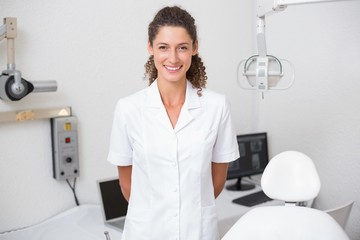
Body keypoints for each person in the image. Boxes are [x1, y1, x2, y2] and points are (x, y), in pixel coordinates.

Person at [107, 6, 239, 240]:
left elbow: (217, 181)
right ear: (150, 48)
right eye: (163, 47)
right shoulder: (128, 109)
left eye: (182, 48)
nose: (173, 58)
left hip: (197, 231)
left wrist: (190, 211)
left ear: (194, 48)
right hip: (145, 232)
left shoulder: (217, 107)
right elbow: (127, 186)